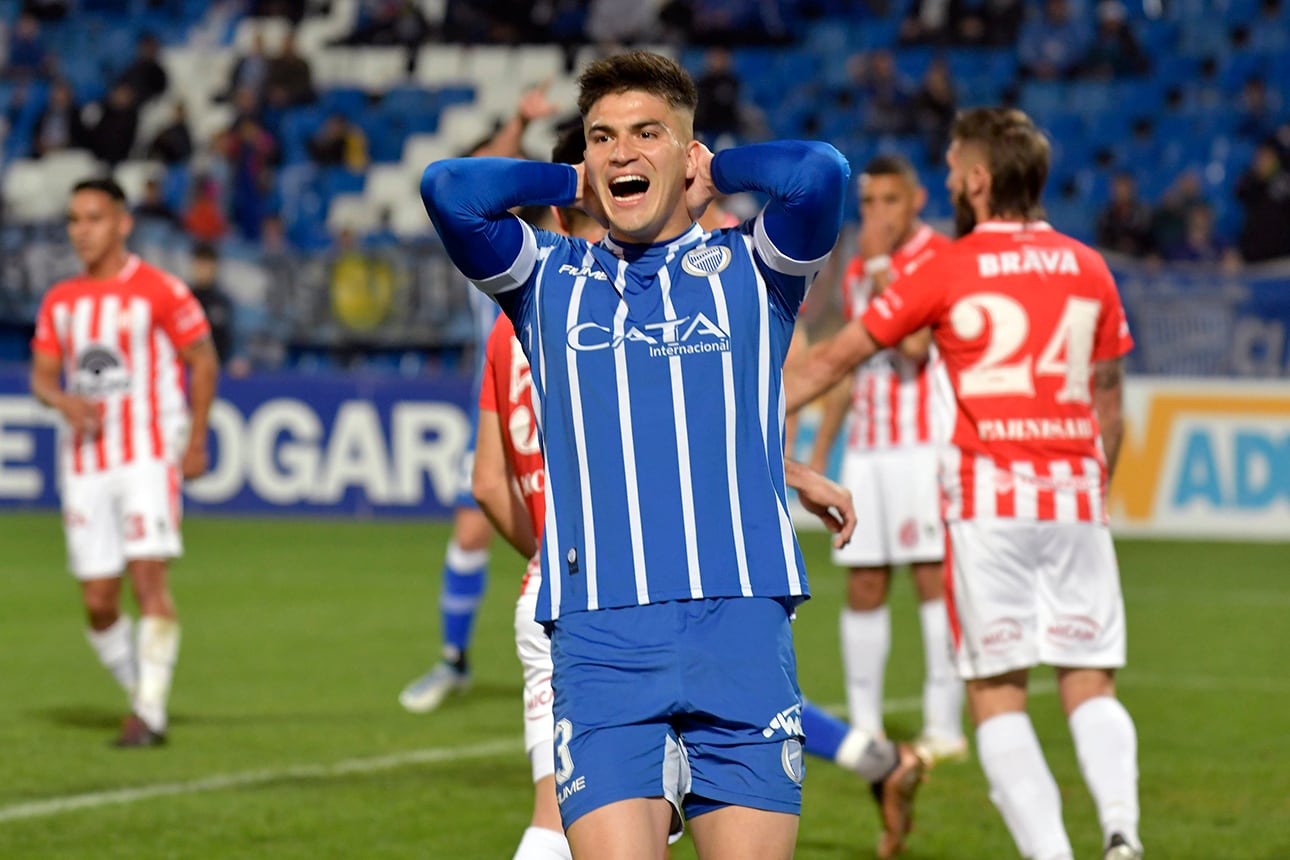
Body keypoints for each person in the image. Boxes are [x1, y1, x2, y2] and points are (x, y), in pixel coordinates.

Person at [422, 50, 925, 860]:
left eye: (647, 133)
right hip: (600, 642)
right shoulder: (546, 277)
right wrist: (568, 184)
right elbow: (449, 188)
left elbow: (820, 172)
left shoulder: (752, 268)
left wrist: (715, 170)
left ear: (686, 152)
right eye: (603, 137)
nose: (622, 152)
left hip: (742, 631)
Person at [785, 107, 1143, 860]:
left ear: (979, 179)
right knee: (1089, 682)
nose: (947, 179)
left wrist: (725, 406)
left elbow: (832, 361)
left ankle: (1051, 854)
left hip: (988, 503)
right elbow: (1109, 402)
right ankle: (1121, 835)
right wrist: (1093, 487)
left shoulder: (946, 266)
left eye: (953, 168)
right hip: (1076, 496)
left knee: (997, 694)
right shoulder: (1089, 265)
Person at [28, 177, 219, 748]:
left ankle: (149, 713)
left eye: (93, 218)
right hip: (85, 462)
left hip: (147, 453)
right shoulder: (61, 300)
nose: (81, 231)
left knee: (148, 578)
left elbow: (203, 360)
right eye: (74, 220)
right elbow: (41, 375)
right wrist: (62, 399)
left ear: (122, 222)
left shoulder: (161, 290)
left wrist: (197, 439)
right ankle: (144, 692)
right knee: (97, 600)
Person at [398, 82, 561, 715]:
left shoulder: (550, 246)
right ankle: (453, 660)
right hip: (503, 400)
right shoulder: (487, 247)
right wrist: (517, 119)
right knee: (472, 527)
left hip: (566, 401)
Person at [808, 154, 966, 765]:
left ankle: (943, 726)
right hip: (869, 452)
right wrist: (822, 456)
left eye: (889, 202)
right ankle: (868, 728)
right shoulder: (858, 273)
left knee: (932, 580)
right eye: (868, 203)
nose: (876, 214)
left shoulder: (935, 258)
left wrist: (876, 267)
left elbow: (916, 348)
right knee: (865, 584)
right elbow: (851, 366)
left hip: (925, 448)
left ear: (918, 200)